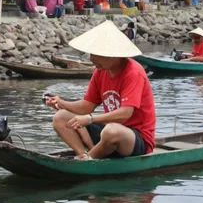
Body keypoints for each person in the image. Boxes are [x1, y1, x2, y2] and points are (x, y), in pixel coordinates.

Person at [47, 20, 156, 160]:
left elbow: (125, 113)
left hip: (136, 139)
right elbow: (86, 106)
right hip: (110, 131)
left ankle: (89, 160)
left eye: (96, 54)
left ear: (112, 55)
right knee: (60, 117)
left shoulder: (133, 72)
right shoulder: (100, 71)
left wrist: (90, 119)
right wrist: (61, 103)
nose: (91, 59)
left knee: (111, 131)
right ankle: (82, 155)